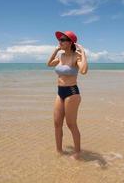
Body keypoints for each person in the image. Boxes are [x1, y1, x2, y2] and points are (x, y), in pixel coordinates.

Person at [47, 30, 88, 160]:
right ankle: (59, 151)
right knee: (57, 123)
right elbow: (48, 64)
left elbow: (84, 71)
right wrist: (55, 50)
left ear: (70, 42)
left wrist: (84, 54)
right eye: (59, 40)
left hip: (72, 92)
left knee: (71, 124)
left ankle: (77, 152)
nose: (60, 42)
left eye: (63, 40)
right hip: (60, 92)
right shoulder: (60, 56)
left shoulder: (76, 57)